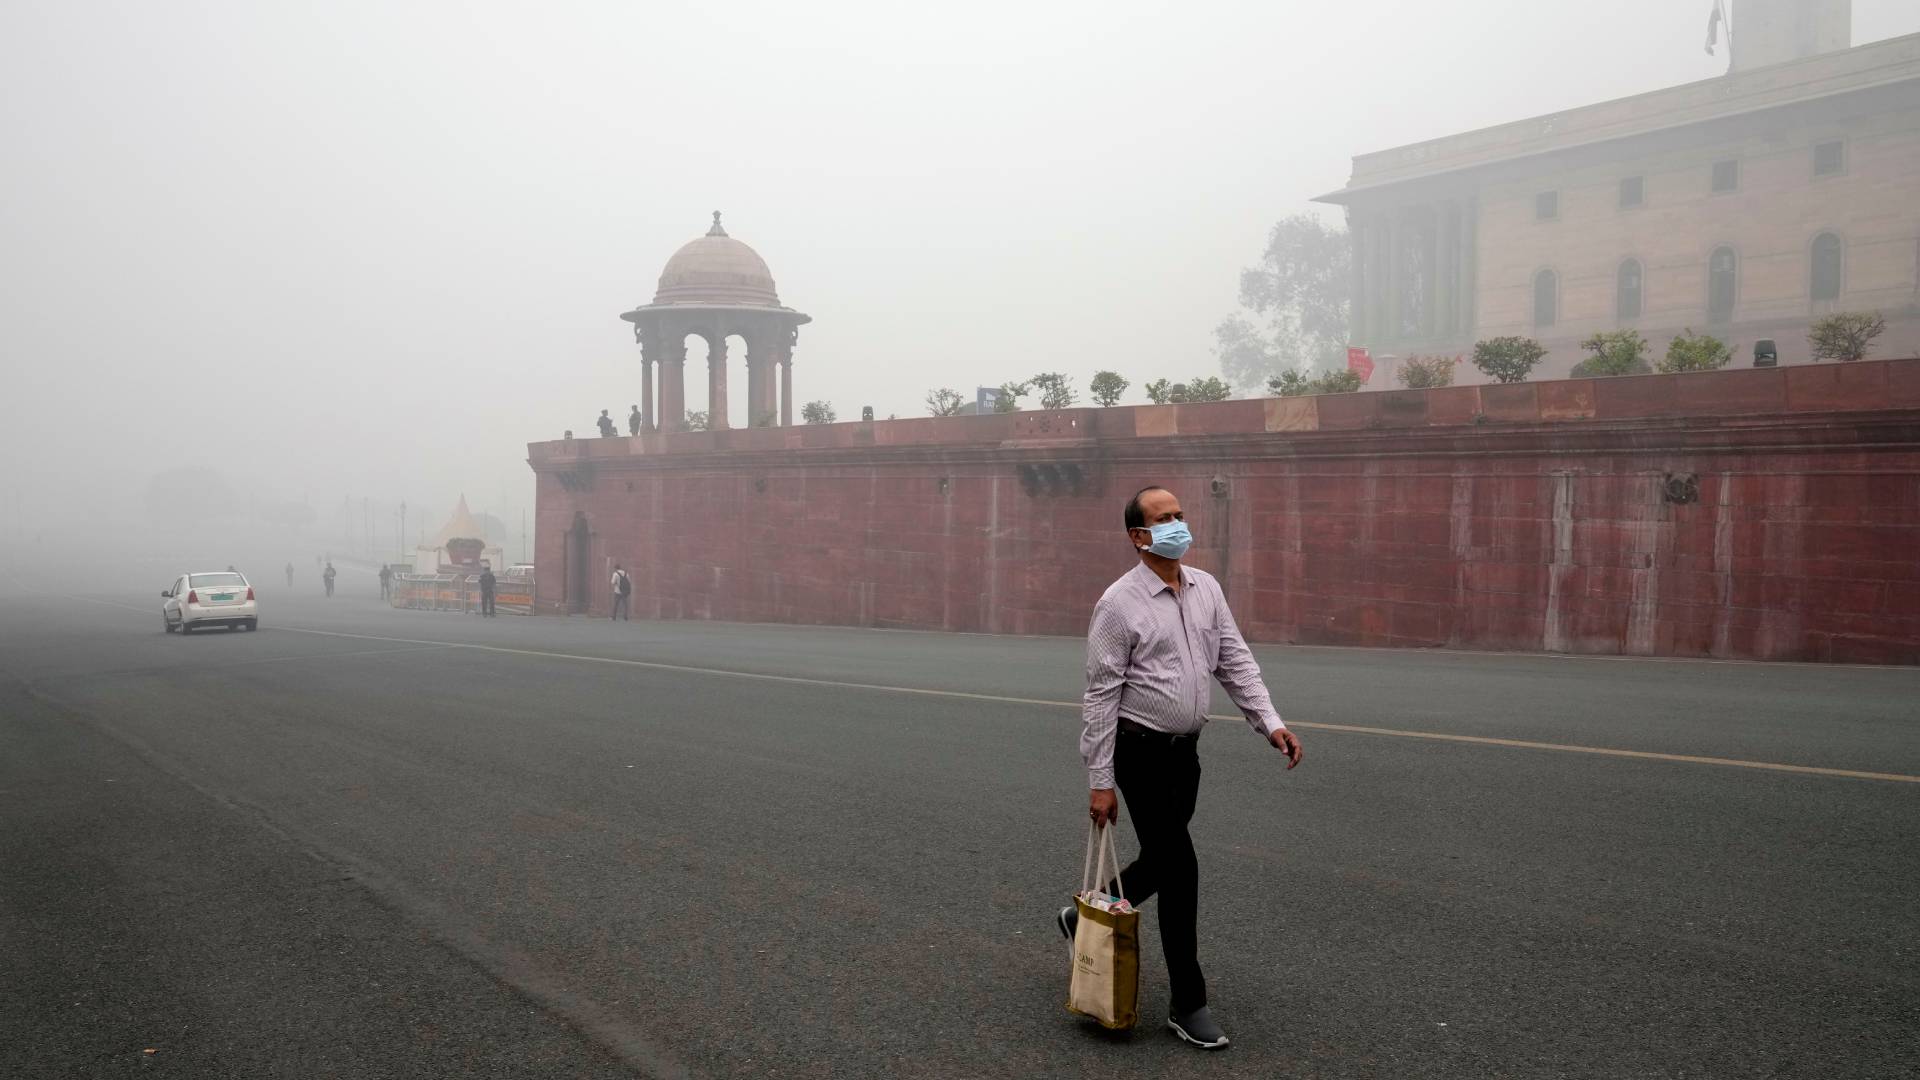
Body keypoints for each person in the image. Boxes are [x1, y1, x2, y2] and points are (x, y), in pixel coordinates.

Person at [1059, 485, 1304, 1052]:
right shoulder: (1117, 604)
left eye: (1179, 515)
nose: (1177, 525)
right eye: (1163, 518)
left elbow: (1235, 661)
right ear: (1138, 536)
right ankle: (1187, 1001)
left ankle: (1086, 918)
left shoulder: (1206, 589)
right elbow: (1100, 696)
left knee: (1165, 862)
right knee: (1182, 869)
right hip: (1137, 752)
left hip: (1185, 756)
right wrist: (1100, 781)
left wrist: (1269, 722)